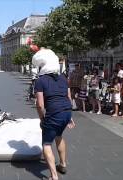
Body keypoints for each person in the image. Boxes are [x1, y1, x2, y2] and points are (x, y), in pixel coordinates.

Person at [33, 48, 75, 180]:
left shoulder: (40, 81)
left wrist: (42, 120)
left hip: (54, 114)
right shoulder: (63, 78)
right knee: (59, 136)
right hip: (66, 111)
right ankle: (62, 164)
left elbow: (40, 105)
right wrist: (70, 117)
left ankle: (54, 176)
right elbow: (68, 97)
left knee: (46, 144)